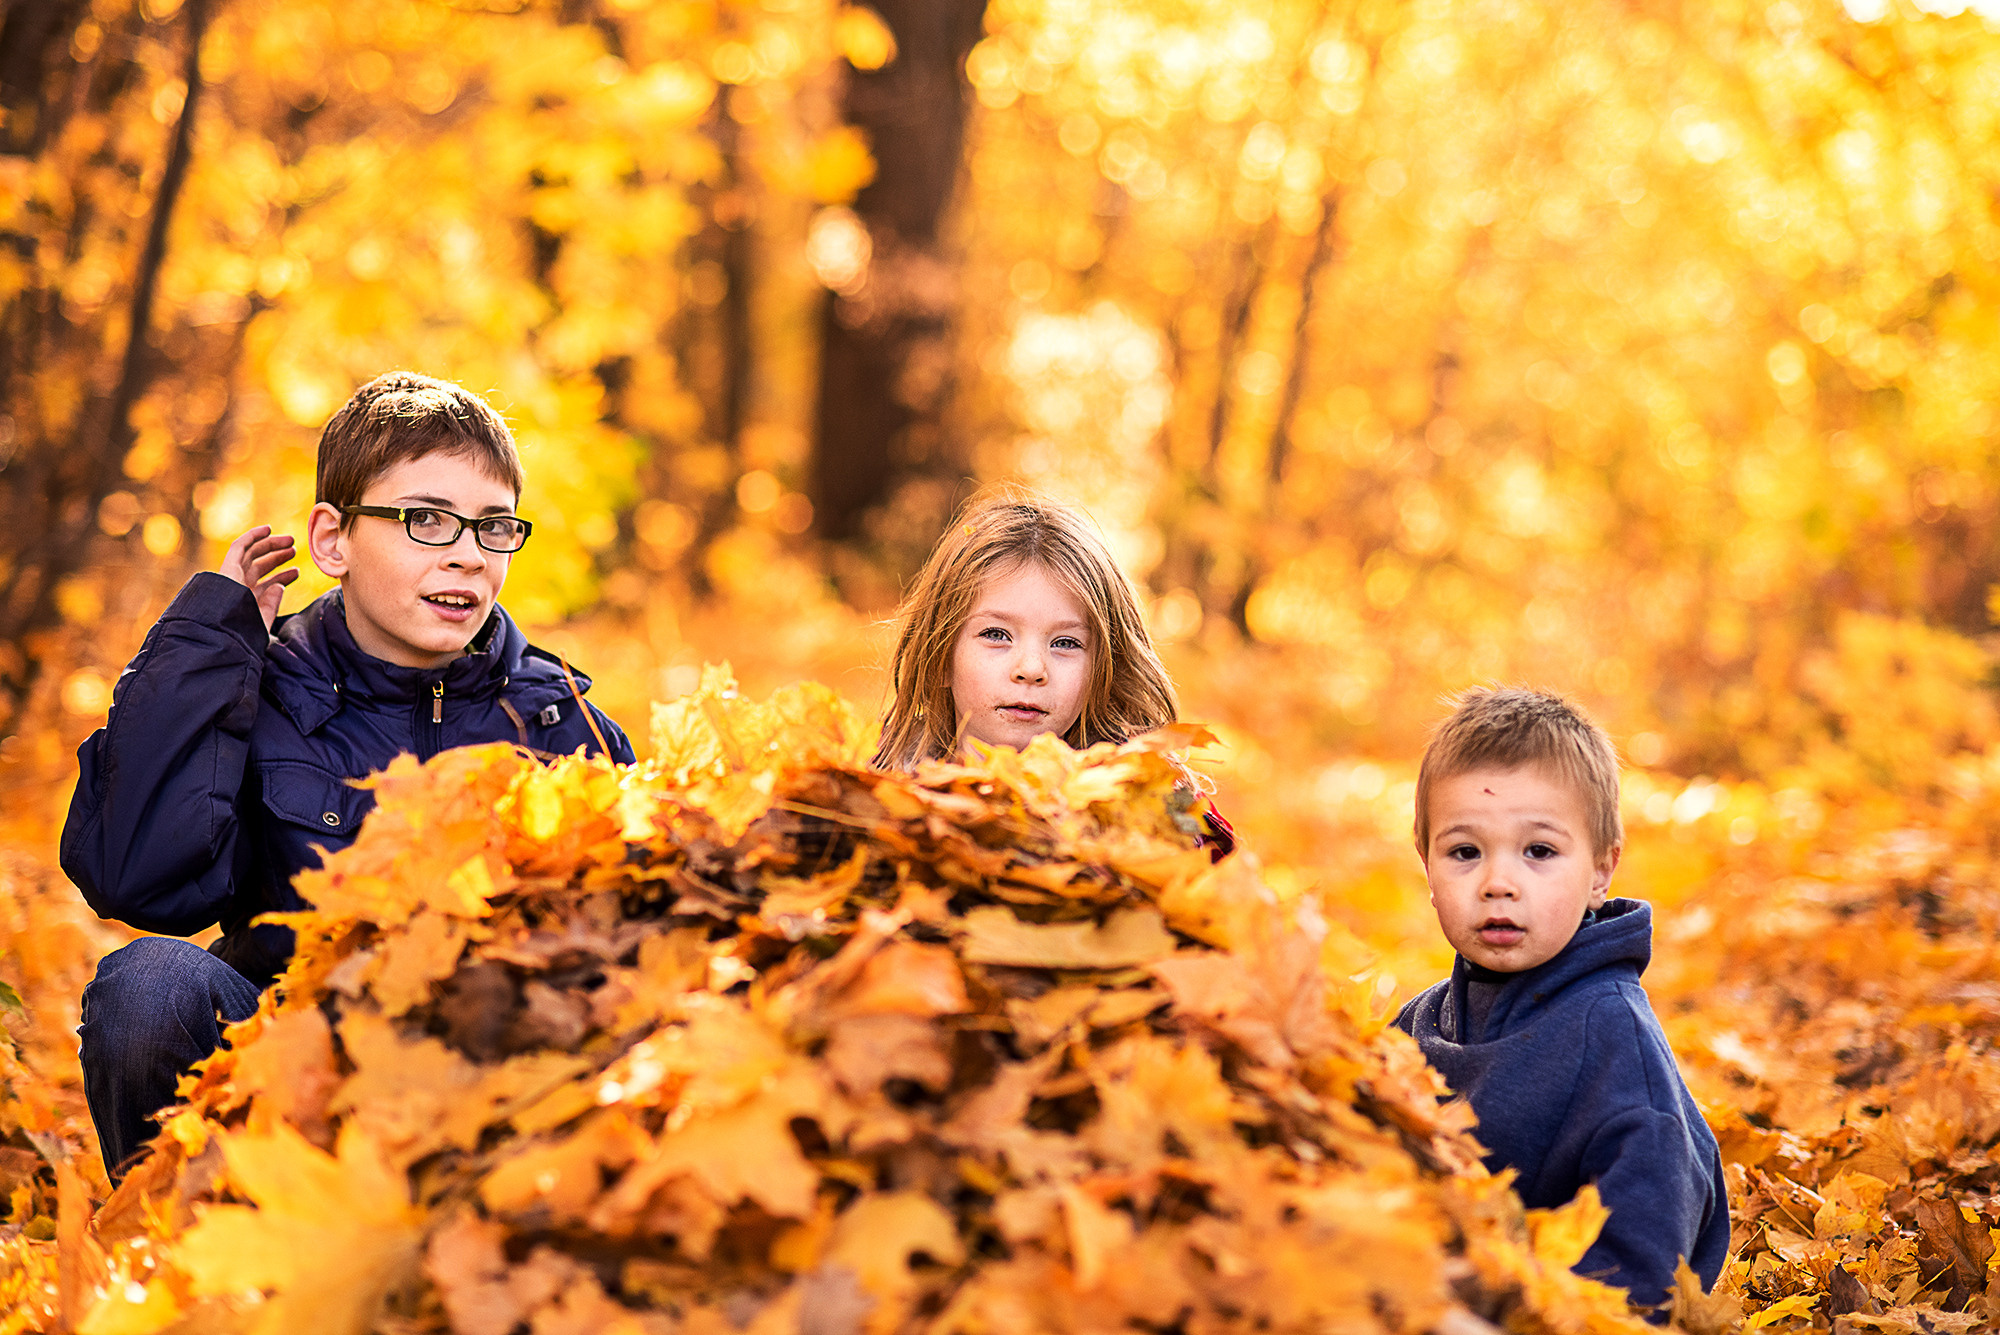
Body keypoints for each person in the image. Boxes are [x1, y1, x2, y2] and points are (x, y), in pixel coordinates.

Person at [61, 371, 634, 1177]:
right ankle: (180, 1255)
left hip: (488, 1093)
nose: (469, 555)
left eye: (493, 526)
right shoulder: (258, 692)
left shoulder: (557, 721)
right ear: (333, 541)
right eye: (427, 519)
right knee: (147, 986)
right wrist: (212, 644)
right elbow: (138, 880)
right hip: (283, 1066)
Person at [1394, 687, 1726, 1315]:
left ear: (1600, 871)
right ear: (1427, 864)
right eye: (1465, 852)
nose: (1498, 883)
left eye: (1539, 852)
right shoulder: (1419, 1025)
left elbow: (1648, 1253)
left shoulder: (1611, 1037)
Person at [872, 487, 1232, 855]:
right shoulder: (871, 799)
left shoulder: (1153, 807)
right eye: (996, 635)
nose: (1031, 669)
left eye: (1065, 643)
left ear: (1103, 671)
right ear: (940, 658)